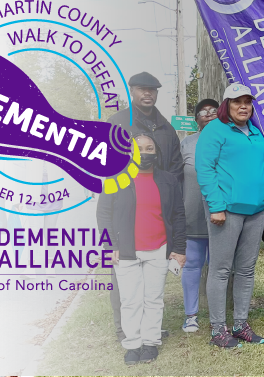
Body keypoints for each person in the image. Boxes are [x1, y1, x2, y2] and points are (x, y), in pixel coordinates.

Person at [195, 83, 264, 348]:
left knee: (246, 270)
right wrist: (216, 206)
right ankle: (218, 329)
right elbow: (205, 169)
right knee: (220, 270)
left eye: (247, 101)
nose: (243, 106)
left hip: (256, 212)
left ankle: (240, 325)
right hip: (227, 212)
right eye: (236, 102)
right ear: (226, 105)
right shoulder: (214, 131)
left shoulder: (255, 133)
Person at [103, 71, 185, 342]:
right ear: (132, 91)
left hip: (156, 210)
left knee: (152, 285)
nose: (147, 93)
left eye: (152, 89)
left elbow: (176, 168)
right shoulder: (116, 123)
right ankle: (122, 328)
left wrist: (167, 190)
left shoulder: (166, 128)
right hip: (125, 210)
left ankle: (150, 330)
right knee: (125, 281)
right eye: (141, 89)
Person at [97, 133, 186, 365]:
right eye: (138, 149)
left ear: (156, 152)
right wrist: (109, 245)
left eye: (149, 149)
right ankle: (133, 344)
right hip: (125, 251)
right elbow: (104, 214)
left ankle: (150, 342)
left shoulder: (168, 180)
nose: (144, 153)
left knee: (153, 299)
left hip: (159, 249)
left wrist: (179, 248)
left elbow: (178, 215)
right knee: (130, 300)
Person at [179, 98, 219, 334]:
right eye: (203, 111)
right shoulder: (186, 143)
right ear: (196, 119)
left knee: (218, 267)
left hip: (221, 216)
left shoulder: (228, 140)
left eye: (213, 110)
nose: (208, 114)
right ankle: (191, 316)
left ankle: (219, 317)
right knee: (192, 265)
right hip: (192, 215)